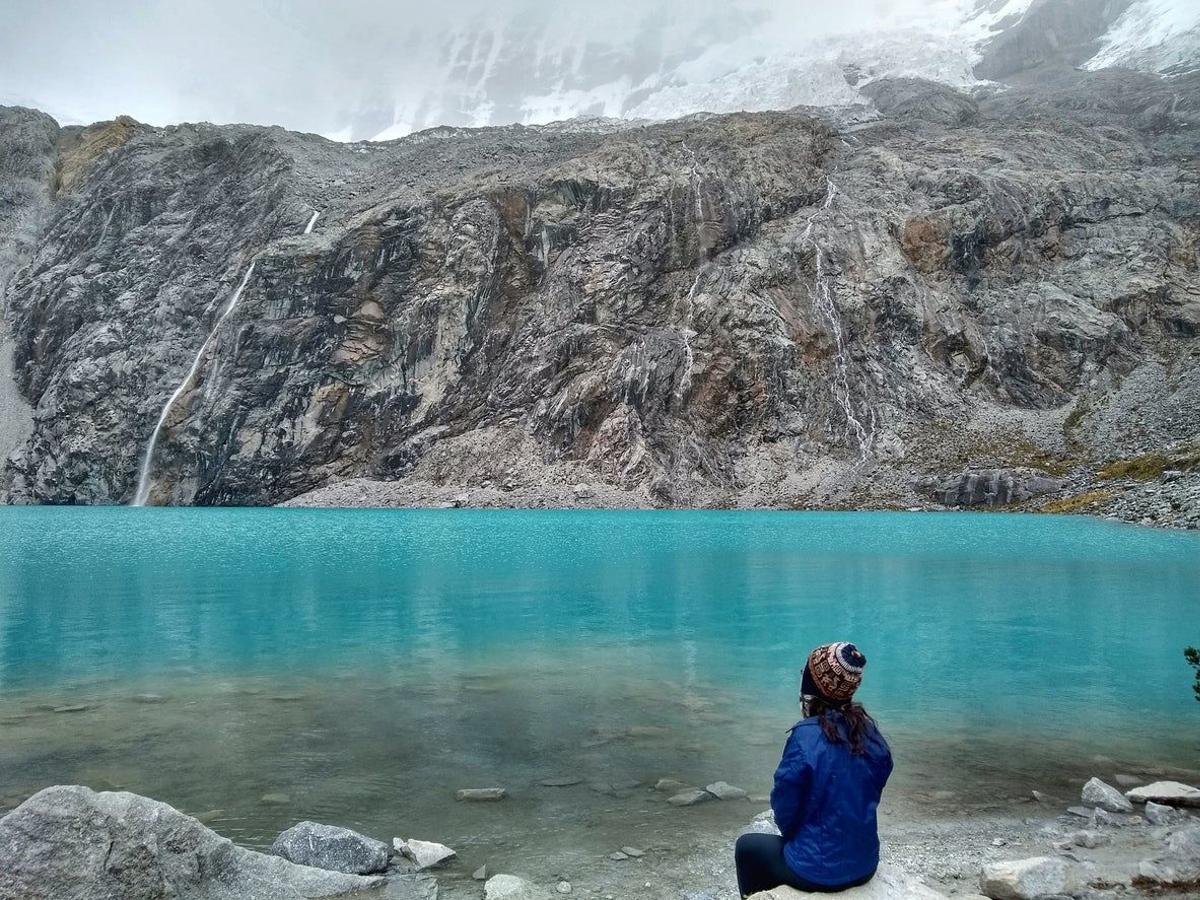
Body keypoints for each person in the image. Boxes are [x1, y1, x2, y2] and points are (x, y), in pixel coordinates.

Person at [734, 642, 893, 897]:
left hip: (817, 872)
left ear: (813, 688)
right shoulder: (870, 733)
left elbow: (785, 806)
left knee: (746, 848)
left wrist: (799, 837)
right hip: (865, 865)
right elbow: (874, 784)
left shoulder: (805, 738)